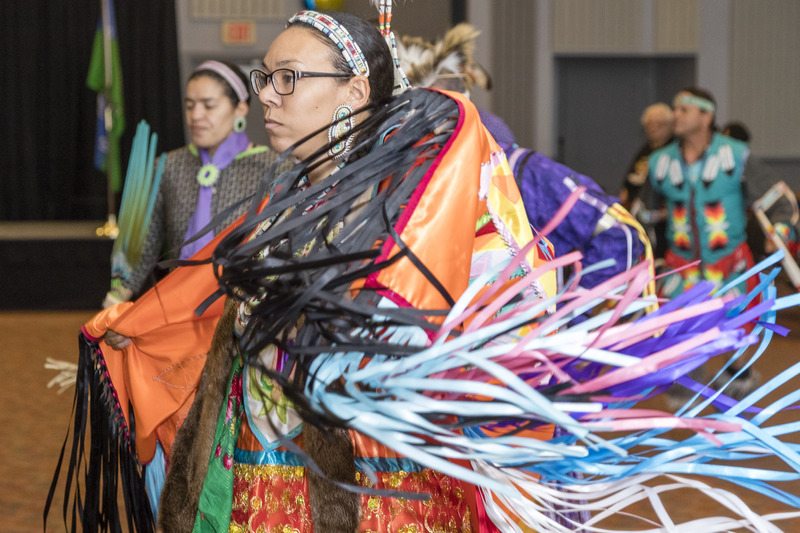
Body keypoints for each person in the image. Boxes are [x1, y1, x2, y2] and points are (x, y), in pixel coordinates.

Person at [51, 10, 800, 533]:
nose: (266, 96)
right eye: (263, 76)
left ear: (354, 92)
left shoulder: (440, 195)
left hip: (389, 492)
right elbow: (216, 312)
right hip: (265, 483)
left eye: (287, 77)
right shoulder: (275, 195)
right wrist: (134, 331)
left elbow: (545, 279)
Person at [398, 23, 654, 302]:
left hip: (528, 338)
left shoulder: (522, 173)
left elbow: (622, 232)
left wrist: (571, 312)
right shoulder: (411, 179)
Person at [102, 60, 285, 308]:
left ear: (240, 109)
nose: (195, 115)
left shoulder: (275, 169)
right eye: (190, 106)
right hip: (177, 306)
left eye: (208, 105)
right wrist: (115, 297)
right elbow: (142, 243)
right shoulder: (168, 166)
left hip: (243, 312)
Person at [648, 87, 755, 300]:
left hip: (730, 267)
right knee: (676, 331)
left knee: (734, 331)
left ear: (706, 117)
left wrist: (782, 231)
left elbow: (775, 201)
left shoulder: (735, 154)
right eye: (675, 109)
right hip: (681, 271)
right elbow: (642, 215)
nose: (675, 115)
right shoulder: (660, 162)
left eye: (684, 110)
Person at [620, 103, 675, 261]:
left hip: (662, 221)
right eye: (649, 124)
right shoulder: (646, 150)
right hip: (637, 215)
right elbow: (629, 181)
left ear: (670, 126)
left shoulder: (673, 151)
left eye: (659, 124)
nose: (653, 128)